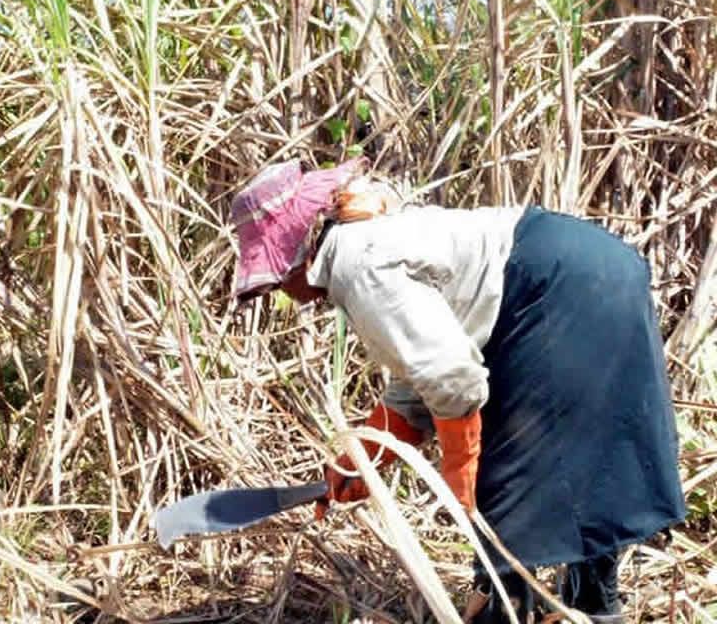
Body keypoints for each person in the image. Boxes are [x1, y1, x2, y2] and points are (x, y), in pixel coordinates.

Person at [228, 157, 686, 623]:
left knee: (506, 477)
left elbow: (451, 378)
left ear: (298, 252)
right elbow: (423, 375)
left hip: (550, 287)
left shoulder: (354, 263)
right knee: (588, 458)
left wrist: (460, 477)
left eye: (277, 281)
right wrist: (364, 459)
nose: (284, 293)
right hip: (595, 269)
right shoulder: (365, 240)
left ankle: (514, 608)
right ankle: (590, 608)